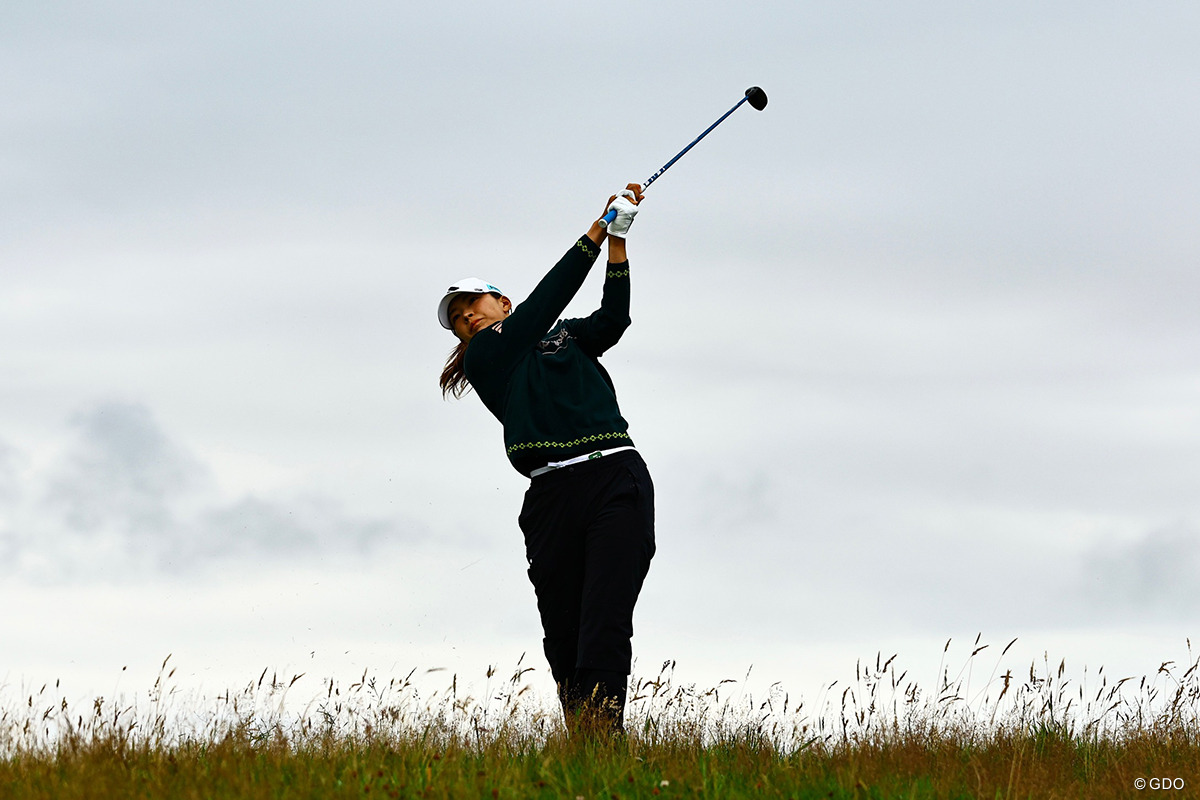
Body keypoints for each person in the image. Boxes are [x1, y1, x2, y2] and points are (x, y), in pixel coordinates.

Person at [437, 184, 654, 735]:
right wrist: (594, 232)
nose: (467, 319)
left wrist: (618, 246)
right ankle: (583, 733)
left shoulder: (561, 337)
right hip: (551, 495)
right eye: (458, 318)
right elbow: (545, 302)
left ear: (500, 303)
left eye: (472, 306)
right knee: (563, 629)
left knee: (604, 617)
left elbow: (612, 320)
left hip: (613, 476)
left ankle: (601, 741)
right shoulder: (488, 355)